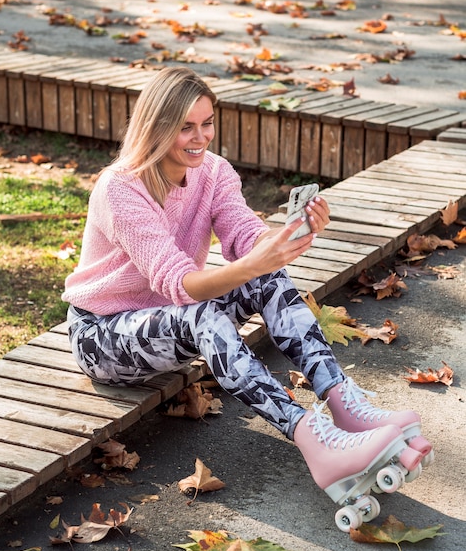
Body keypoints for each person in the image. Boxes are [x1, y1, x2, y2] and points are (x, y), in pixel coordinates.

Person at [62, 66, 432, 519]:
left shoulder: (213, 172)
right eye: (185, 127)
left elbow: (244, 234)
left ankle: (342, 401)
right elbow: (180, 284)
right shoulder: (120, 188)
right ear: (156, 127)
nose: (200, 137)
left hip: (173, 324)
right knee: (206, 308)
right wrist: (253, 263)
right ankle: (312, 439)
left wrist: (287, 238)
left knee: (265, 279)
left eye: (207, 123)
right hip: (104, 337)